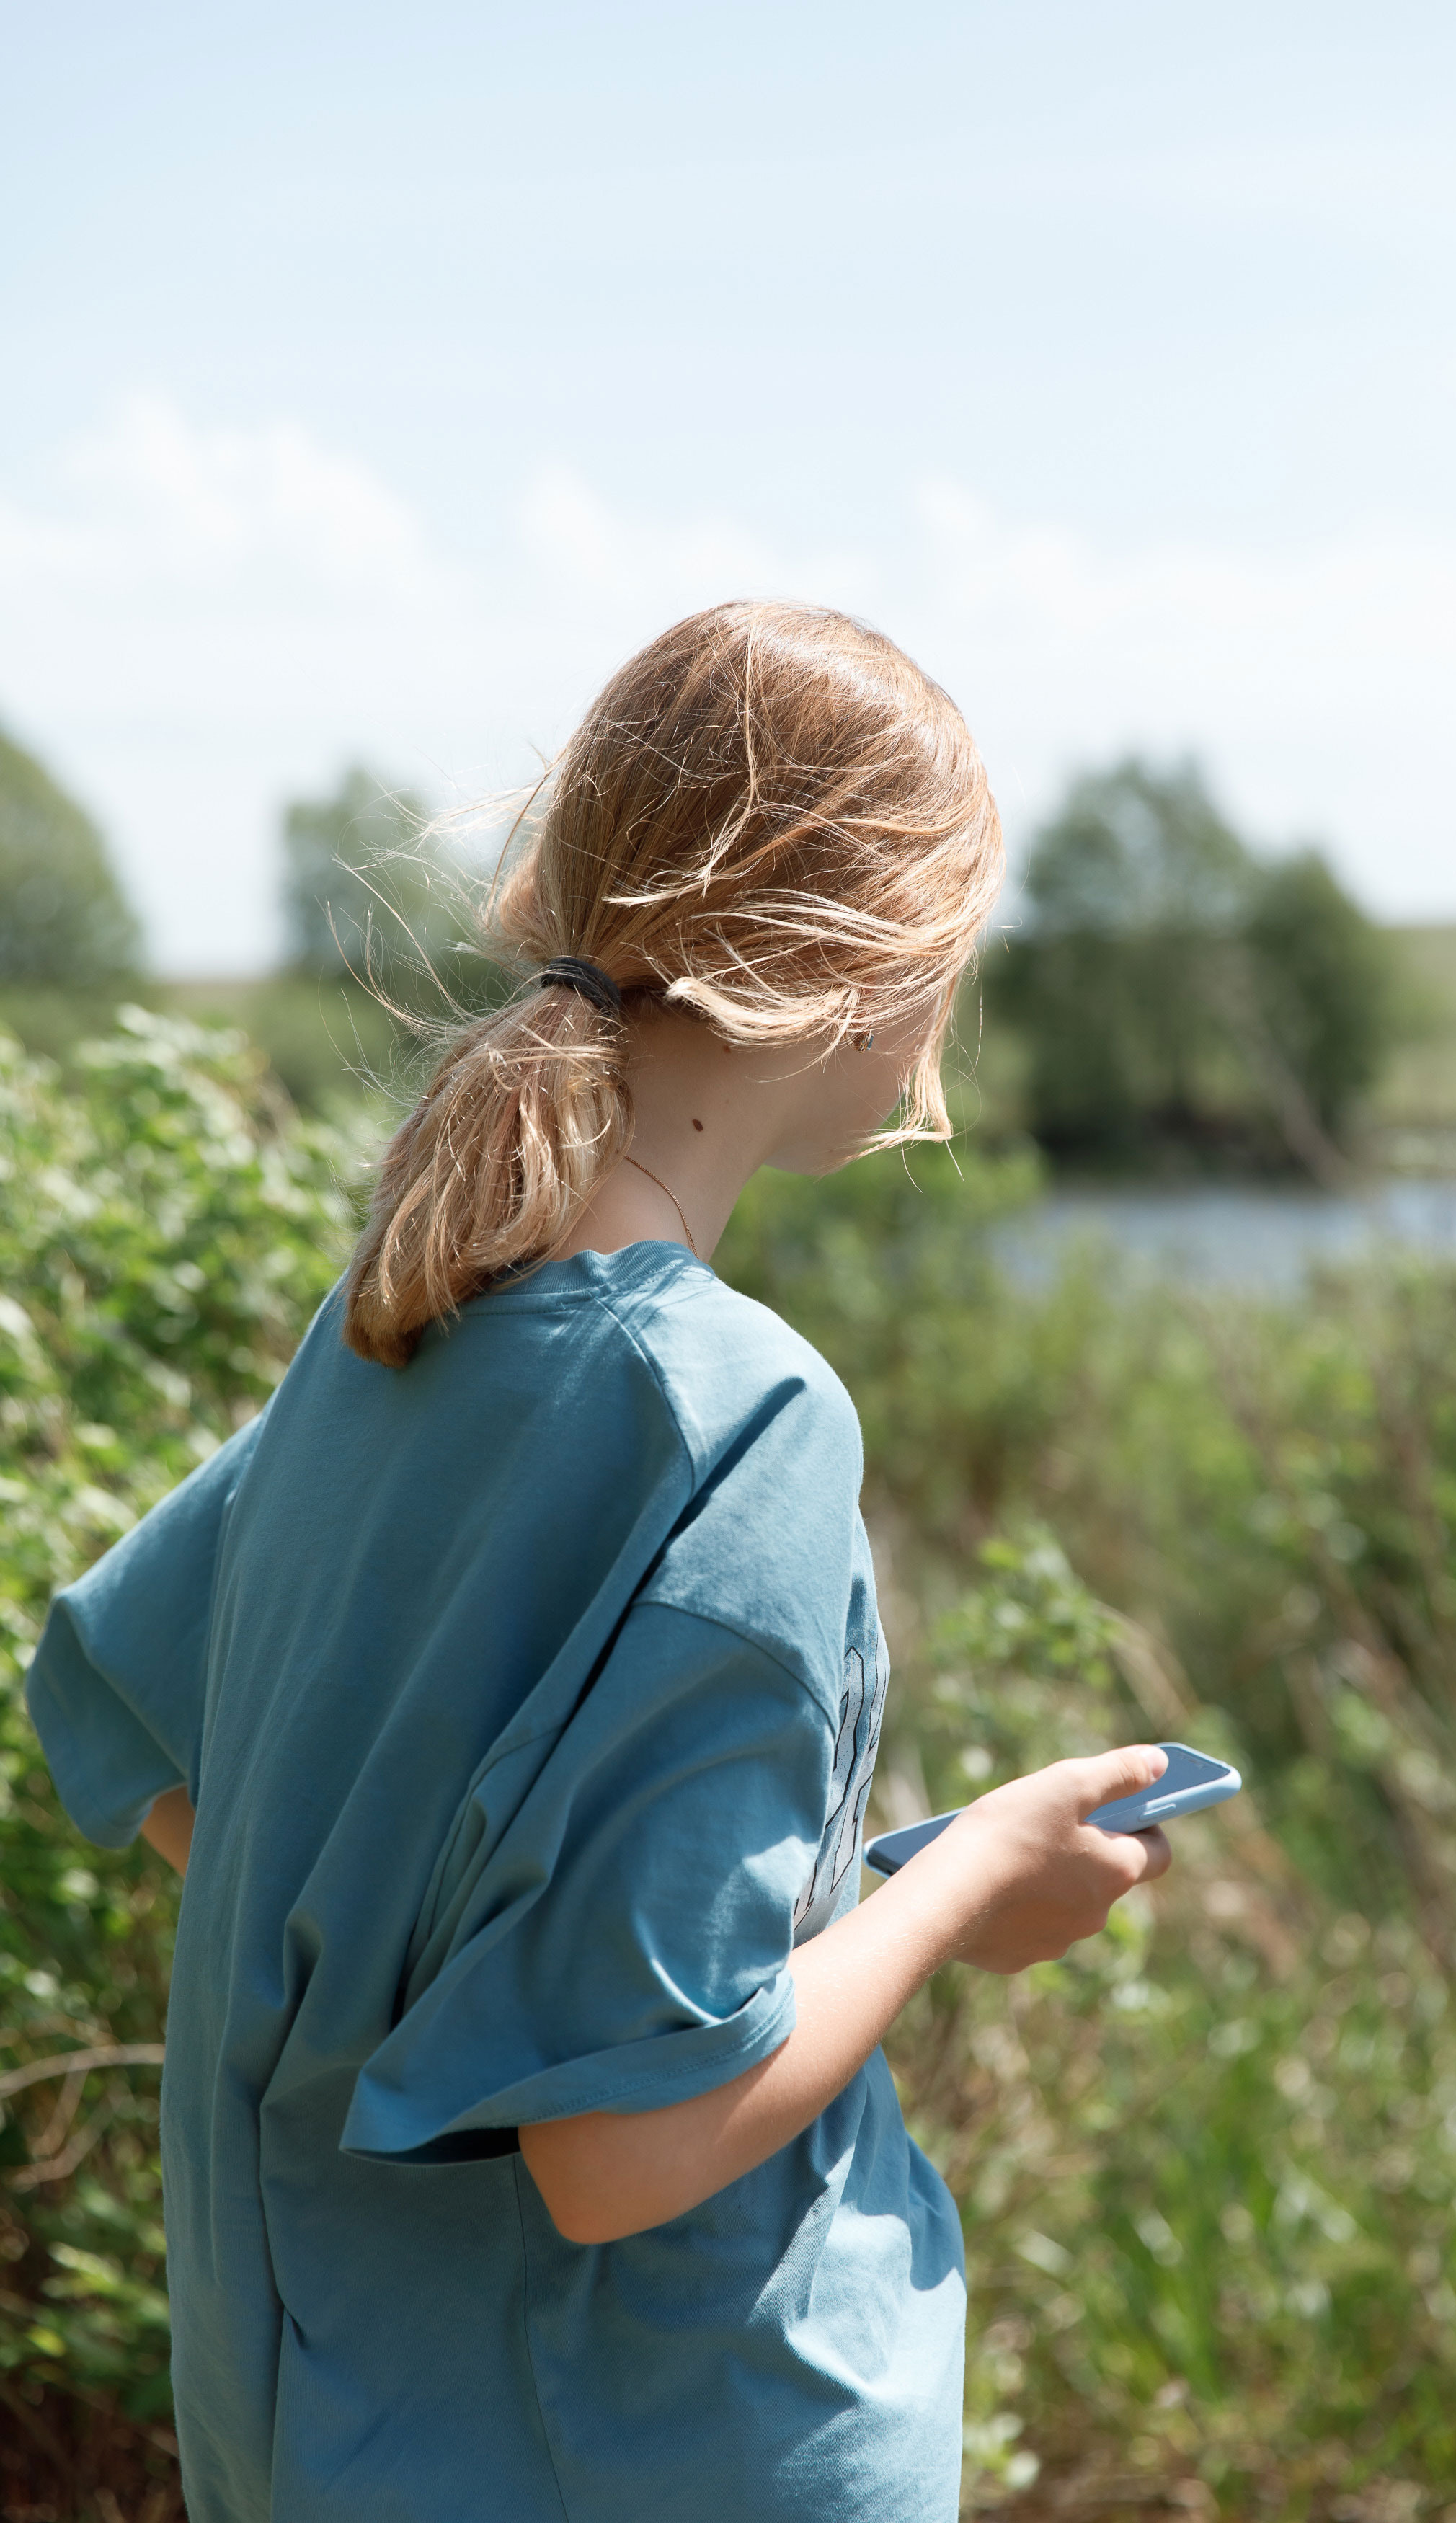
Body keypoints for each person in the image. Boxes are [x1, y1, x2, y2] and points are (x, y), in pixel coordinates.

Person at [27, 601, 1171, 2523]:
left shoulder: (396, 1321)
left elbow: (146, 1734)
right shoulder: (740, 1416)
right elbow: (624, 2143)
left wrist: (429, 1966)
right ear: (866, 957)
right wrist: (972, 1877)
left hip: (318, 2425)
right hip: (652, 2449)